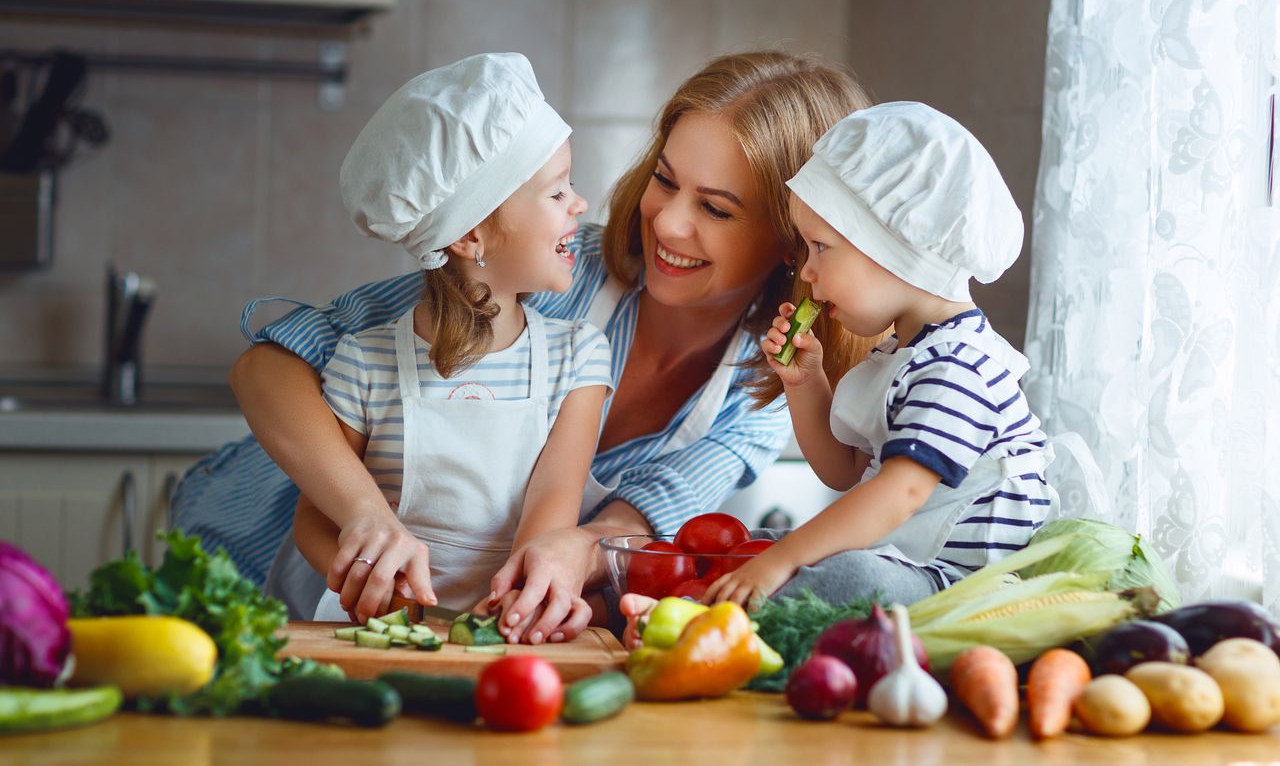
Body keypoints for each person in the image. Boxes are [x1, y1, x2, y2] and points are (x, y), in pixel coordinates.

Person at [171, 51, 880, 643]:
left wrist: (574, 554)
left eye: (716, 209)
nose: (667, 222)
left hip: (437, 623)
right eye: (665, 180)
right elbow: (269, 365)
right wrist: (364, 516)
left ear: (794, 238)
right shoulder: (553, 267)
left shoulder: (769, 382)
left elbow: (649, 506)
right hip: (263, 550)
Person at [290, 53, 614, 621]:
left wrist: (514, 605)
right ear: (470, 235)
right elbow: (314, 521)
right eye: (557, 192)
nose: (580, 204)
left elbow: (551, 506)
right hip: (376, 631)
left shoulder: (578, 356)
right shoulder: (364, 362)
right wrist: (373, 591)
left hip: (505, 626)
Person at [702, 101, 1059, 611]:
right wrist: (806, 384)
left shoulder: (958, 367)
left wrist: (783, 559)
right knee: (788, 554)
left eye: (820, 247)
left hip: (965, 587)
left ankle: (726, 622)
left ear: (896, 248)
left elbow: (900, 494)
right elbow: (847, 473)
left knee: (844, 575)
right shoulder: (905, 354)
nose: (806, 271)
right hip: (916, 567)